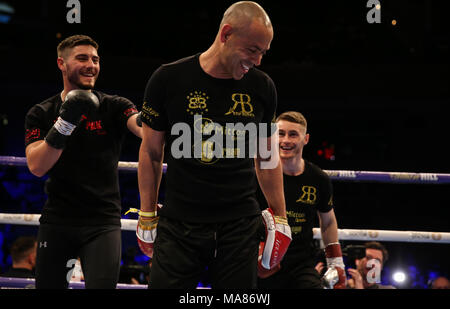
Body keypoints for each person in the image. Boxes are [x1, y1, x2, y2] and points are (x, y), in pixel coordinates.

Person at [137, 1, 291, 289]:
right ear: (226, 34)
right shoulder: (168, 79)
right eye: (252, 50)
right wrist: (146, 214)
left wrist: (280, 218)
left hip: (239, 225)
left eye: (263, 53)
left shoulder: (262, 86)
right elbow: (151, 152)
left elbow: (267, 157)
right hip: (179, 221)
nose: (257, 61)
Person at [24, 34, 142, 289]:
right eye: (82, 58)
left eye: (96, 59)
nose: (92, 65)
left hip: (102, 223)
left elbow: (144, 128)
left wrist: (160, 116)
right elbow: (37, 166)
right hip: (58, 220)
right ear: (61, 64)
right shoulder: (42, 112)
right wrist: (66, 122)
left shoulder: (114, 105)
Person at [257, 111, 346, 289]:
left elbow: (328, 221)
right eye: (280, 134)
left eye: (293, 134)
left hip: (301, 261)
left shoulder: (318, 178)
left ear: (305, 139)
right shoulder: (259, 174)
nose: (285, 140)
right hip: (261, 256)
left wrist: (335, 261)